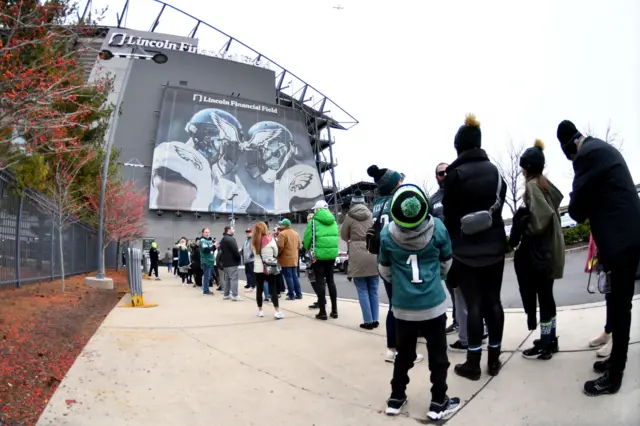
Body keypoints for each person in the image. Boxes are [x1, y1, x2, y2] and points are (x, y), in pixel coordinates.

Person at [557, 119, 640, 396]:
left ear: (568, 147)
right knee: (618, 303)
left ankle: (614, 376)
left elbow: (577, 209)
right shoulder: (599, 148)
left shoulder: (587, 155)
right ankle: (615, 361)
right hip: (625, 237)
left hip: (621, 241)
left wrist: (584, 200)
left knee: (620, 305)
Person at [378, 184, 461, 420]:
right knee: (438, 356)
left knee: (404, 354)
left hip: (403, 308)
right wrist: (435, 278)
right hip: (433, 305)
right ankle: (438, 402)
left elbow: (384, 270)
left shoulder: (387, 234)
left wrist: (403, 286)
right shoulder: (438, 228)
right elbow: (446, 263)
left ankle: (395, 398)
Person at [443, 114, 507, 381]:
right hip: (494, 246)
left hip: (466, 251)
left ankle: (473, 362)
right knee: (494, 302)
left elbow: (449, 217)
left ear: (458, 147)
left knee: (474, 305)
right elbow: (499, 206)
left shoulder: (455, 176)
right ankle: (494, 359)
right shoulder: (495, 172)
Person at [511, 139, 565, 360]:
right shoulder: (544, 183)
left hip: (542, 251)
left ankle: (545, 344)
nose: (521, 170)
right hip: (552, 248)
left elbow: (542, 217)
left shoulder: (533, 186)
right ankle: (550, 339)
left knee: (543, 296)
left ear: (528, 168)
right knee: (547, 296)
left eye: (523, 166)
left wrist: (525, 229)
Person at [368, 164, 425, 364]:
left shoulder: (377, 203)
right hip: (399, 259)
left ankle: (392, 348)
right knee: (403, 307)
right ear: (394, 183)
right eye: (398, 180)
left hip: (383, 259)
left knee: (394, 305)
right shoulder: (398, 200)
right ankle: (402, 351)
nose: (401, 183)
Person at [340, 189, 380, 330]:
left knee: (362, 290)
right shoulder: (371, 214)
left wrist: (353, 239)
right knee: (374, 289)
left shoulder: (349, 217)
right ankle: (375, 319)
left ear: (352, 203)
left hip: (357, 253)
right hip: (373, 251)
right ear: (364, 201)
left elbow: (344, 235)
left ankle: (368, 321)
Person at [429, 162, 459, 336]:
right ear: (436, 176)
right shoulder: (433, 200)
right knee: (452, 289)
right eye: (441, 173)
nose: (445, 175)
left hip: (464, 250)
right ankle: (457, 321)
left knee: (468, 290)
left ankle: (477, 322)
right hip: (445, 253)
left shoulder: (460, 193)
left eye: (448, 172)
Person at [303, 200, 339, 320]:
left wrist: (307, 248)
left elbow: (307, 239)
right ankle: (334, 311)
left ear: (317, 209)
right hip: (331, 255)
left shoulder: (313, 221)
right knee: (331, 281)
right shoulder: (333, 221)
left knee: (320, 282)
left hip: (318, 256)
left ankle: (322, 312)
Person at [584, 234, 613, 358]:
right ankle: (608, 333)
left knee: (619, 299)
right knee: (610, 296)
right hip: (604, 251)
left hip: (619, 248)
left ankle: (617, 341)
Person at [252, 221, 284, 319]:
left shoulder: (253, 241)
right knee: (273, 289)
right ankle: (277, 311)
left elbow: (254, 254)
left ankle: (260, 310)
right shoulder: (271, 239)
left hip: (258, 268)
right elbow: (276, 252)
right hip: (270, 267)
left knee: (259, 289)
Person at [277, 219, 303, 300]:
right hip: (294, 258)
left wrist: (278, 254)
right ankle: (299, 294)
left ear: (284, 225)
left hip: (285, 259)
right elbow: (299, 246)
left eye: (281, 225)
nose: (280, 226)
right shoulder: (296, 233)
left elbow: (280, 246)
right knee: (295, 276)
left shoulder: (282, 234)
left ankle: (291, 295)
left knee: (288, 277)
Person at [220, 225, 243, 301]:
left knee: (227, 279)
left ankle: (226, 294)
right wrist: (239, 258)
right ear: (229, 230)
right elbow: (235, 250)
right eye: (233, 229)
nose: (234, 230)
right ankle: (234, 295)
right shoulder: (231, 239)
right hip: (232, 262)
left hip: (225, 263)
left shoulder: (223, 239)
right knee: (234, 279)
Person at [200, 228, 216, 296]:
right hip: (206, 261)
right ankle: (206, 291)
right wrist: (214, 246)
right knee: (206, 276)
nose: (207, 234)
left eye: (208, 232)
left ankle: (206, 289)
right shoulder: (203, 240)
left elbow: (211, 250)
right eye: (206, 232)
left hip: (210, 261)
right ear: (203, 233)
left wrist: (215, 247)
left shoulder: (209, 240)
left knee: (208, 276)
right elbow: (205, 250)